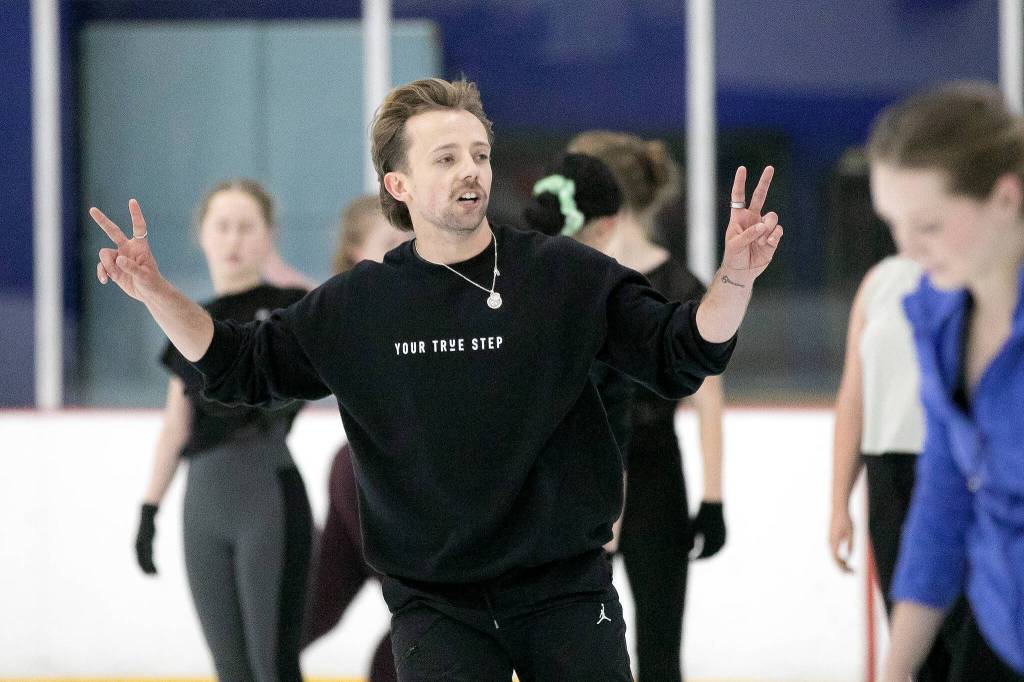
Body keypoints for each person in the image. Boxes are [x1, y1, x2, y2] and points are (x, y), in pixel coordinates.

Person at [92, 77, 783, 680]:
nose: (471, 171)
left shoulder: (563, 275)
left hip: (566, 592)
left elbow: (684, 349)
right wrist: (156, 293)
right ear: (398, 184)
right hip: (436, 604)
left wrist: (734, 280)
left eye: (479, 155)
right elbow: (239, 365)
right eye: (446, 158)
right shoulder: (358, 304)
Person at [867, 82, 1024, 681]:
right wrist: (896, 668)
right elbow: (944, 492)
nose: (906, 248)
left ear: (1004, 199)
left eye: (928, 224)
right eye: (893, 223)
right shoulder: (935, 312)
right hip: (998, 623)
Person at [134, 179, 313, 682]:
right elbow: (176, 425)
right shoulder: (190, 320)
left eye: (246, 227)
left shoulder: (291, 306)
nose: (233, 239)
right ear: (203, 236)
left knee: (273, 667)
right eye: (223, 227)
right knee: (230, 670)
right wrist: (149, 509)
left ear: (268, 236)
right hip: (203, 504)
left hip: (267, 496)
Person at [565, 131, 727, 682]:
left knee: (659, 648)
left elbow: (708, 398)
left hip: (654, 471)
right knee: (579, 647)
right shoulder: (569, 275)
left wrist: (713, 497)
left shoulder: (678, 284)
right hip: (583, 473)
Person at [829, 251, 957, 680]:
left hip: (956, 474)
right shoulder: (880, 279)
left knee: (966, 641)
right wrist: (838, 503)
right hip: (888, 476)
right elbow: (853, 396)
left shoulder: (980, 271)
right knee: (914, 649)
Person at [302, 195, 411, 682]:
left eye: (412, 239)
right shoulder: (352, 314)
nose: (407, 249)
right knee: (430, 618)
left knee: (313, 611)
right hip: (374, 483)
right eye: (391, 242)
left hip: (380, 481)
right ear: (354, 253)